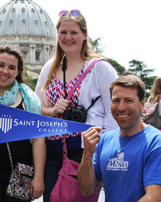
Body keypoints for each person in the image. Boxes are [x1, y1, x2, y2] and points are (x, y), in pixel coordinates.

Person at [34, 10, 118, 201]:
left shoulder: (100, 68)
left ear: (85, 35)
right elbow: (35, 109)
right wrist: (52, 110)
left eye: (74, 32)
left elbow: (112, 113)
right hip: (52, 149)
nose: (68, 37)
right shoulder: (49, 68)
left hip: (84, 150)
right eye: (63, 32)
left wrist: (100, 153)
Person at [0, 47, 46, 202]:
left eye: (11, 67)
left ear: (18, 71)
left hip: (20, 173)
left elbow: (38, 139)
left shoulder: (29, 99)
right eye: (1, 65)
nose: (5, 71)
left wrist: (38, 177)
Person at [77, 75, 161, 201]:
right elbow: (86, 189)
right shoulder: (104, 140)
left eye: (128, 100)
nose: (121, 108)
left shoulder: (155, 142)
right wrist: (87, 154)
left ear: (142, 104)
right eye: (116, 101)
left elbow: (154, 197)